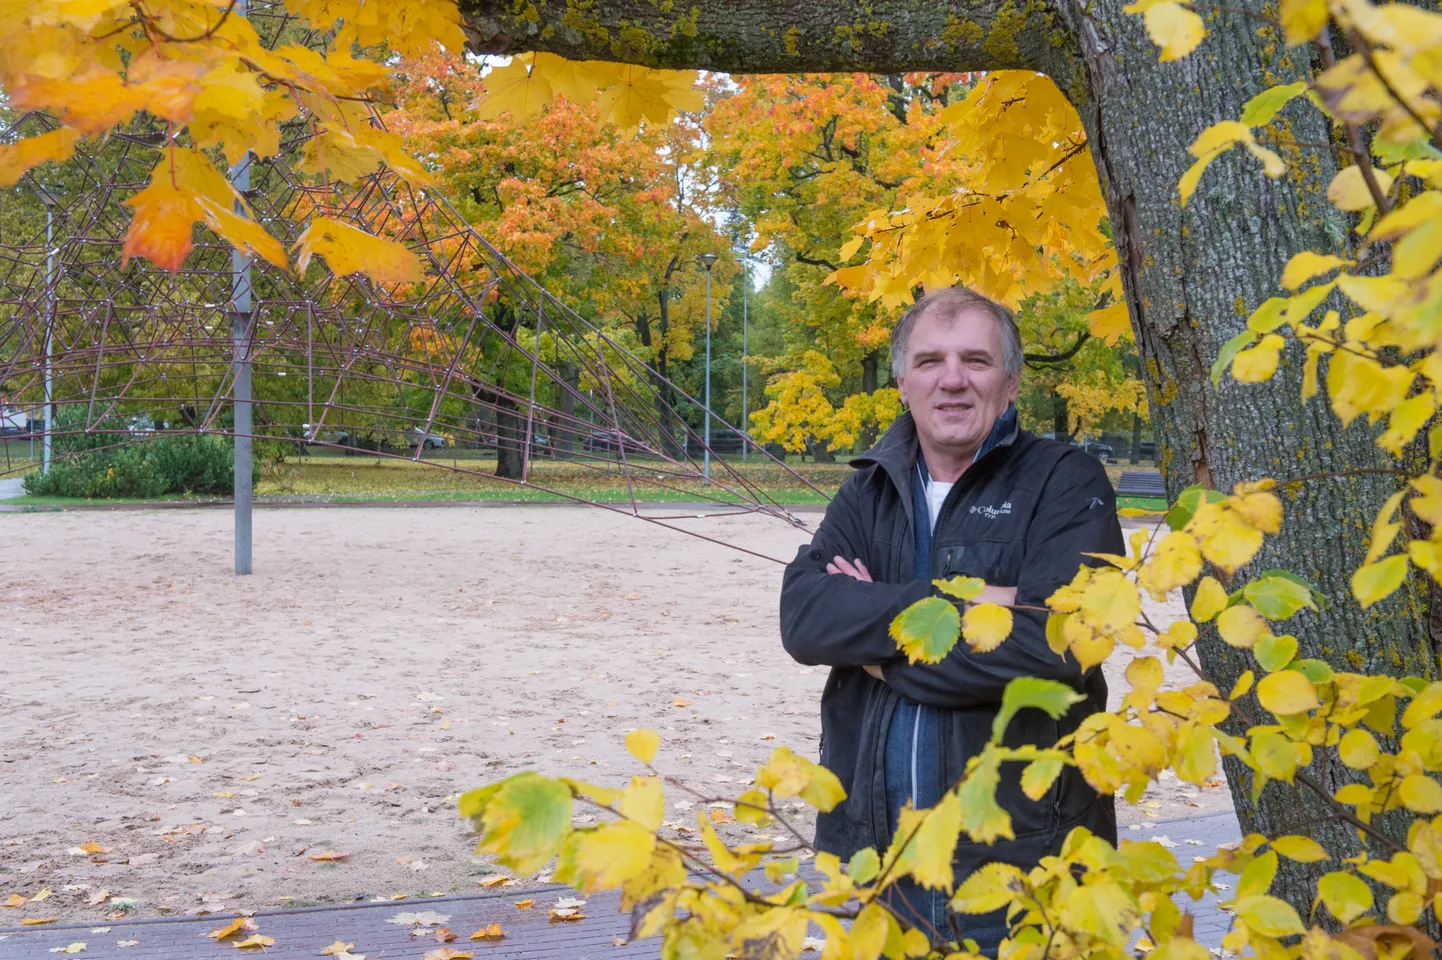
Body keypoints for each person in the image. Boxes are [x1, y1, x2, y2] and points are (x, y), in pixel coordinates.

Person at [778, 286, 1122, 952]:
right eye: (931, 361)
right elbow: (805, 617)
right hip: (877, 858)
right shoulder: (868, 489)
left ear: (1011, 380)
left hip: (1021, 863)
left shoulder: (1065, 482)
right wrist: (976, 602)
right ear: (904, 382)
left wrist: (877, 649)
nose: (953, 379)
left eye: (976, 360)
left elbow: (1057, 642)